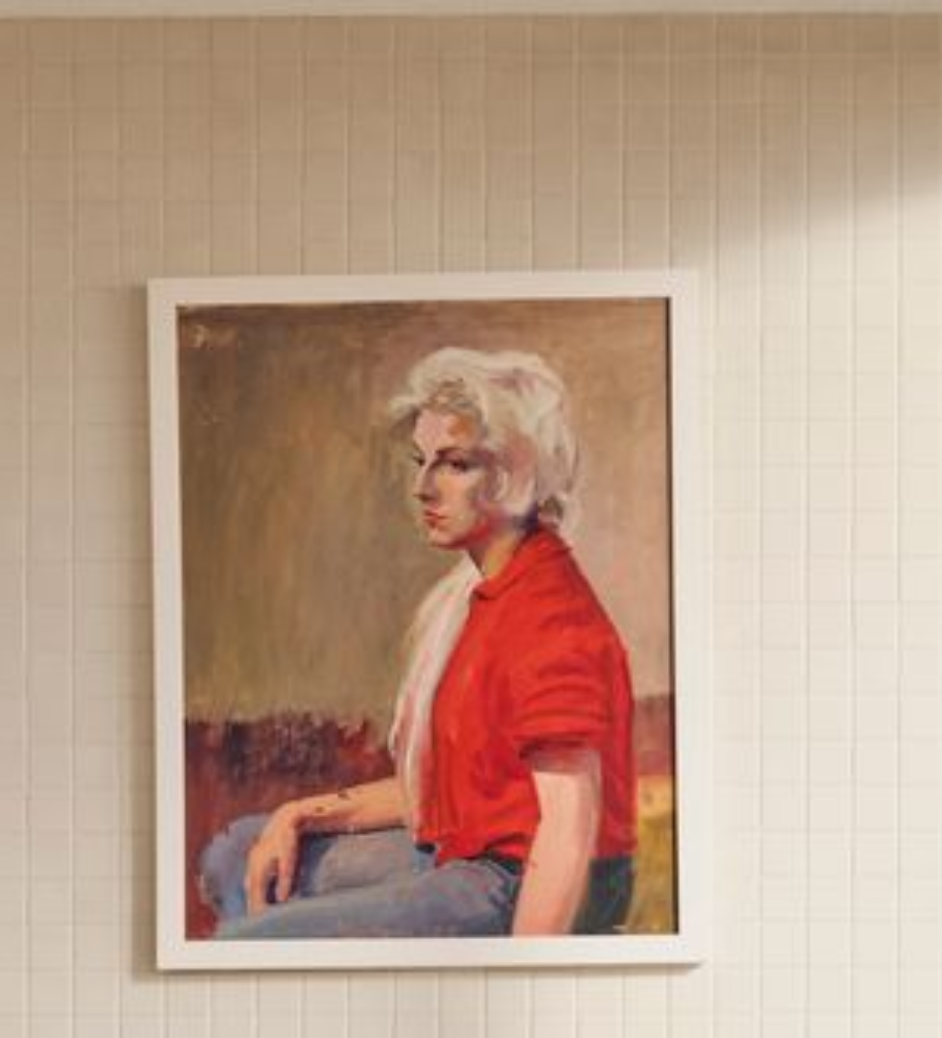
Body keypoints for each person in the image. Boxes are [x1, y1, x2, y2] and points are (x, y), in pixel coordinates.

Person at [200, 347, 637, 941]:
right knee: (233, 855)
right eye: (421, 461)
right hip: (470, 849)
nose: (424, 487)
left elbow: (568, 832)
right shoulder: (479, 597)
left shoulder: (549, 620)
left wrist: (528, 976)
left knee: (246, 943)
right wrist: (299, 813)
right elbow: (445, 793)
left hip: (517, 878)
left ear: (517, 475)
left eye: (454, 464)